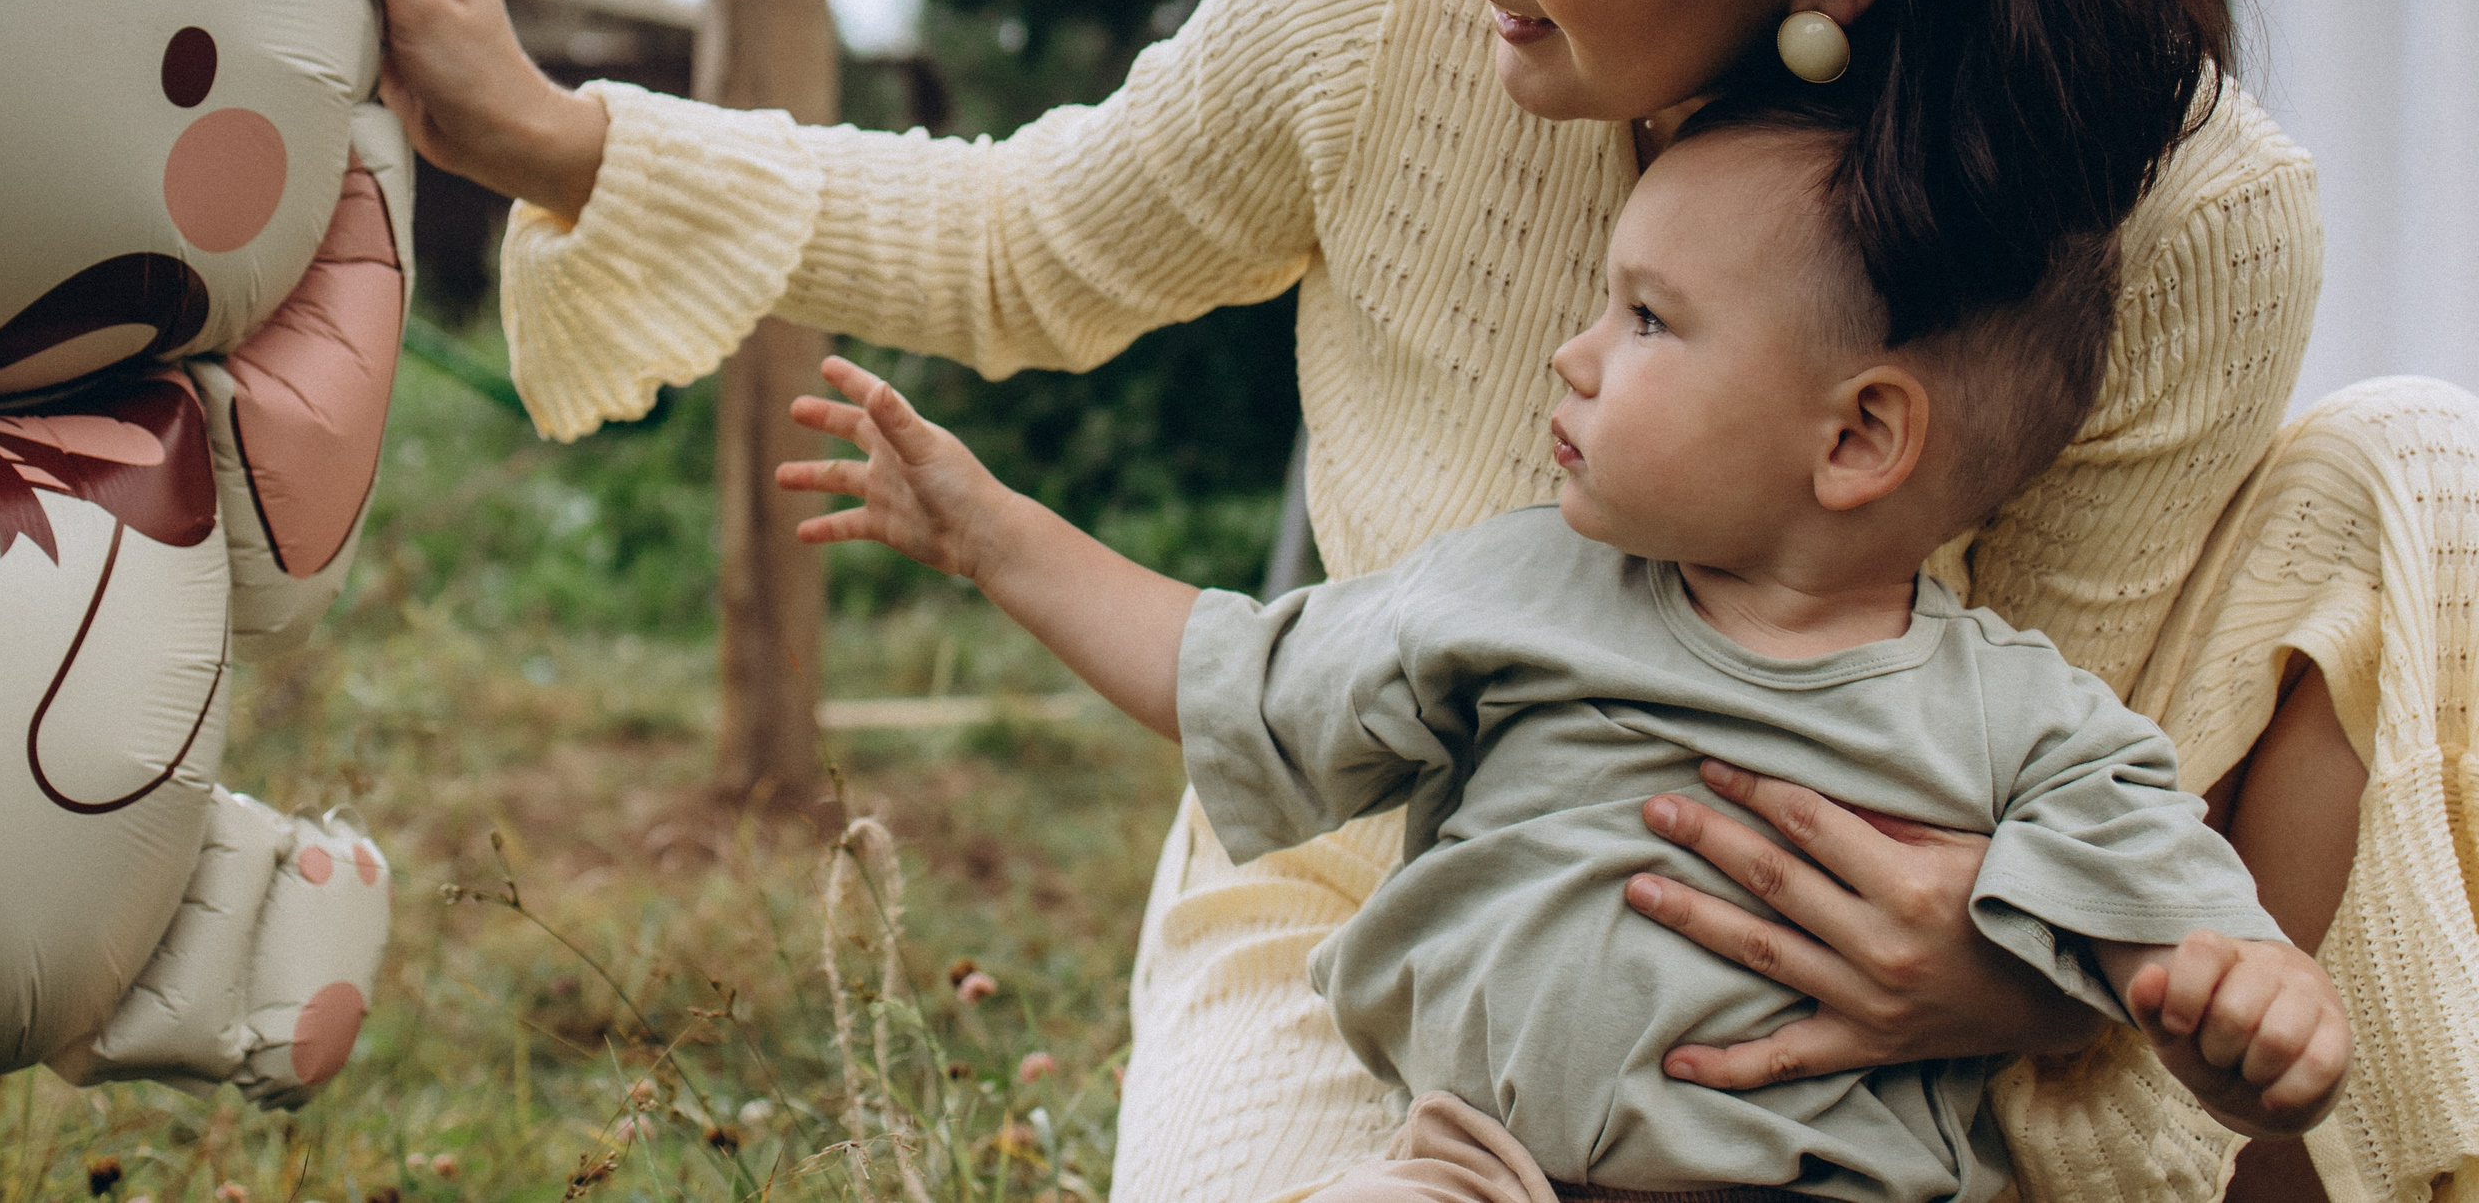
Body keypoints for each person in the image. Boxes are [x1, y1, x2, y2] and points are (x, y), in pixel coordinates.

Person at [339, 0, 2478, 1196]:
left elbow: (2067, 736)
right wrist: (552, 131)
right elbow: (1025, 235)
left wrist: (2009, 971)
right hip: (1395, 923)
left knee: (2410, 470)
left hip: (1890, 1005)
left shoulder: (2179, 212)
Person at [771, 103, 2353, 1203]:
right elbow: (1229, 670)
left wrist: (2258, 1026)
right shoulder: (1518, 592)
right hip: (1474, 1171)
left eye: (1648, 321)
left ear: (1861, 434)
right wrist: (994, 534)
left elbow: (2182, 962)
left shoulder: (2028, 725)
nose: (1575, 351)